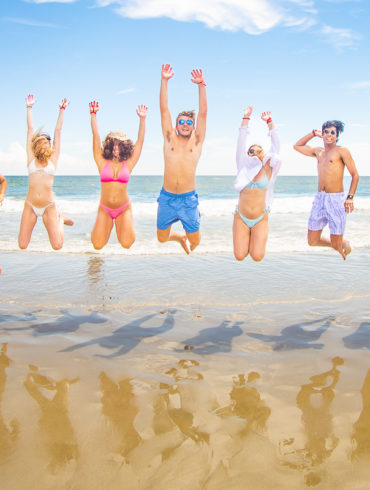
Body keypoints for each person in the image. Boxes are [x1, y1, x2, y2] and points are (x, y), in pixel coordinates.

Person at [157, 64, 207, 254]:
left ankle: (188, 235)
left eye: (189, 122)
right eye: (181, 122)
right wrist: (164, 81)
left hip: (188, 199)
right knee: (161, 238)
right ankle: (178, 237)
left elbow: (203, 113)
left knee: (196, 241)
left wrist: (201, 85)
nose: (185, 124)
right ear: (176, 125)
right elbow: (163, 110)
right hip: (167, 197)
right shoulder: (169, 137)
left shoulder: (197, 140)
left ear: (193, 126)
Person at [293, 120, 359, 259]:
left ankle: (339, 244)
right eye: (326, 132)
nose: (329, 135)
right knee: (312, 241)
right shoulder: (318, 152)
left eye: (332, 132)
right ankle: (342, 244)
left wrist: (350, 198)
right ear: (322, 134)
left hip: (336, 200)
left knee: (336, 244)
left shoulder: (342, 151)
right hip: (320, 199)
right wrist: (312, 133)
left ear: (337, 136)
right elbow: (297, 146)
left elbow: (355, 175)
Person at [89, 100, 147, 250]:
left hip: (123, 208)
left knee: (127, 244)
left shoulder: (129, 163)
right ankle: (105, 227)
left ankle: (121, 226)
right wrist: (93, 115)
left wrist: (142, 119)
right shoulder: (101, 162)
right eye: (114, 144)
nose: (116, 147)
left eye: (119, 144)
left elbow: (140, 142)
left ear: (124, 146)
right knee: (97, 245)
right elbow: (95, 137)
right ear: (109, 145)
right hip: (105, 208)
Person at [18, 94, 73, 250]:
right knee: (22, 245)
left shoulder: (53, 160)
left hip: (49, 206)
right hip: (30, 205)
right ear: (36, 145)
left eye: (48, 143)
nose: (45, 146)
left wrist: (62, 110)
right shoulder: (30, 158)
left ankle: (60, 219)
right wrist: (29, 107)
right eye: (42, 143)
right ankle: (59, 219)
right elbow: (30, 130)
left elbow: (58, 131)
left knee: (57, 245)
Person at [233, 106, 281, 261]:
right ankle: (245, 237)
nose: (254, 153)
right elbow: (241, 141)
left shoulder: (268, 168)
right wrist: (246, 118)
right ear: (247, 155)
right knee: (240, 256)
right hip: (241, 216)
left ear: (264, 154)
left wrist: (269, 122)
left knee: (257, 256)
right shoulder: (243, 166)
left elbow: (276, 145)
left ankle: (253, 240)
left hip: (260, 217)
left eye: (258, 151)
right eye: (251, 151)